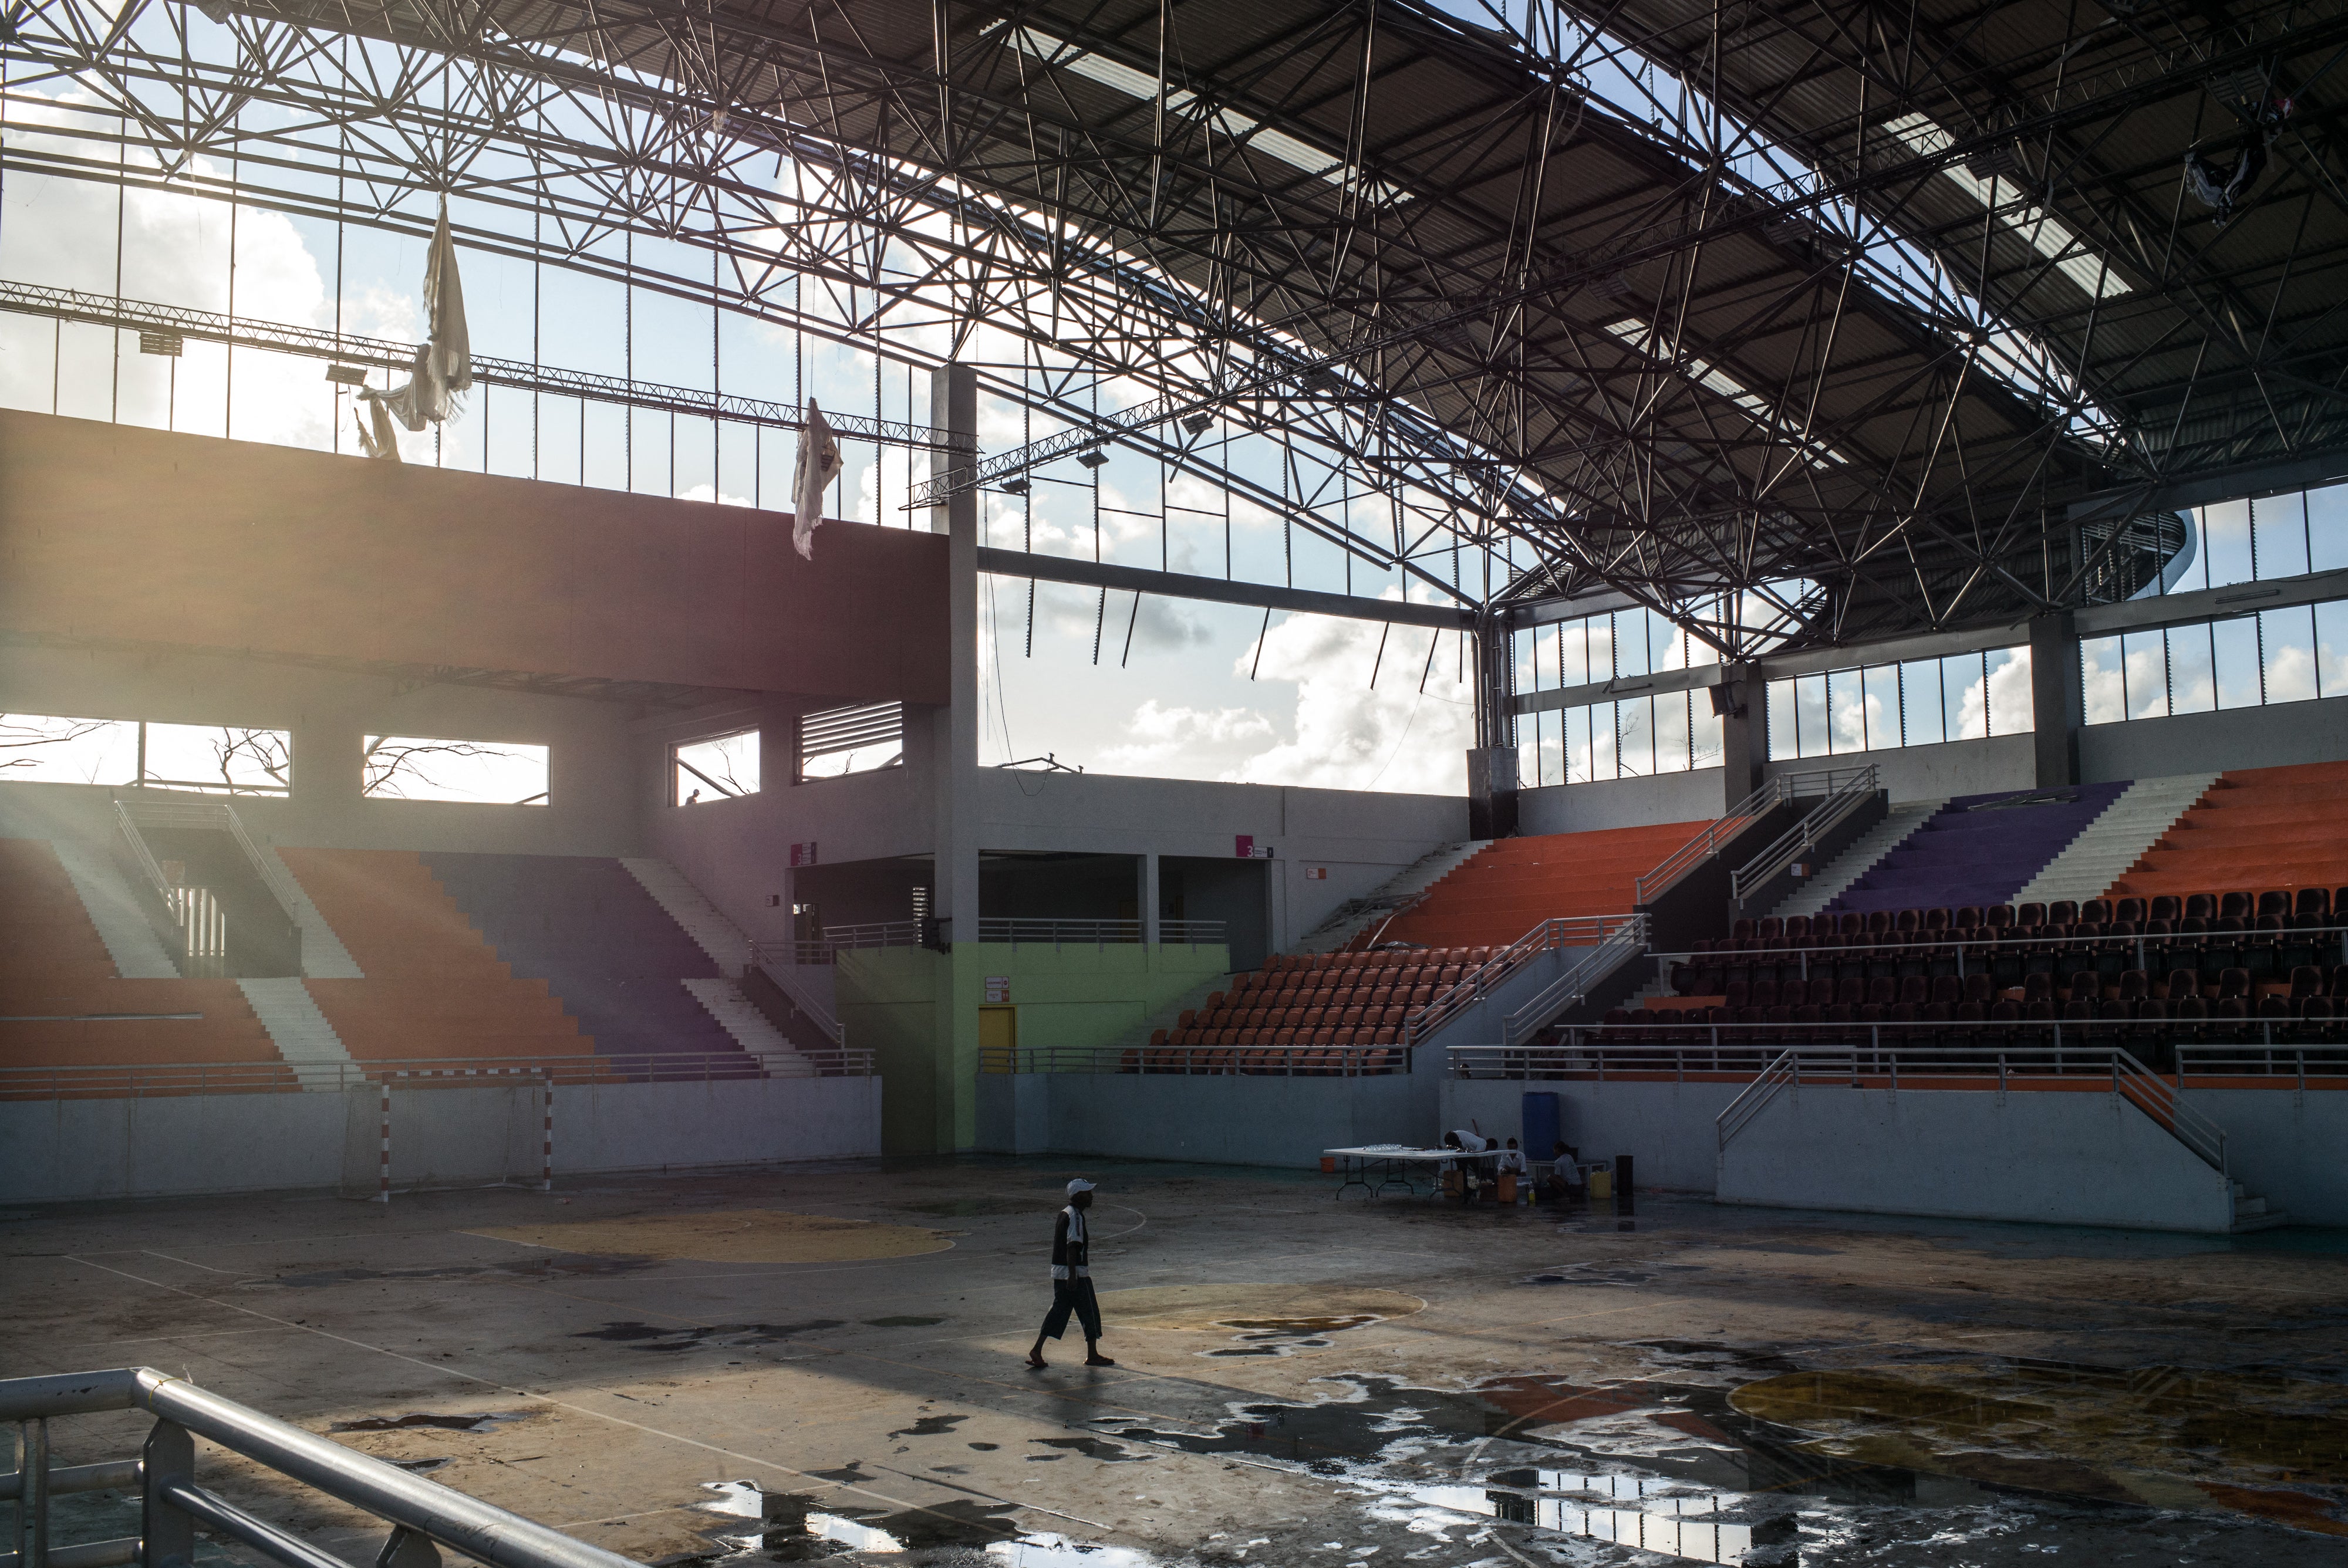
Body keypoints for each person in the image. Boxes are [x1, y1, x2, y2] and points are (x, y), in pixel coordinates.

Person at [1028, 1178, 1114, 1368]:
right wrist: (1074, 1276)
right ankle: (1092, 1355)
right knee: (1089, 1312)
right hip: (1075, 1275)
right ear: (1077, 1196)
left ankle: (1037, 1349)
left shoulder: (1064, 1213)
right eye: (1087, 1193)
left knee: (1058, 1312)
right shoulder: (1075, 1216)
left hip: (1060, 1274)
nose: (1091, 1196)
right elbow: (1072, 1247)